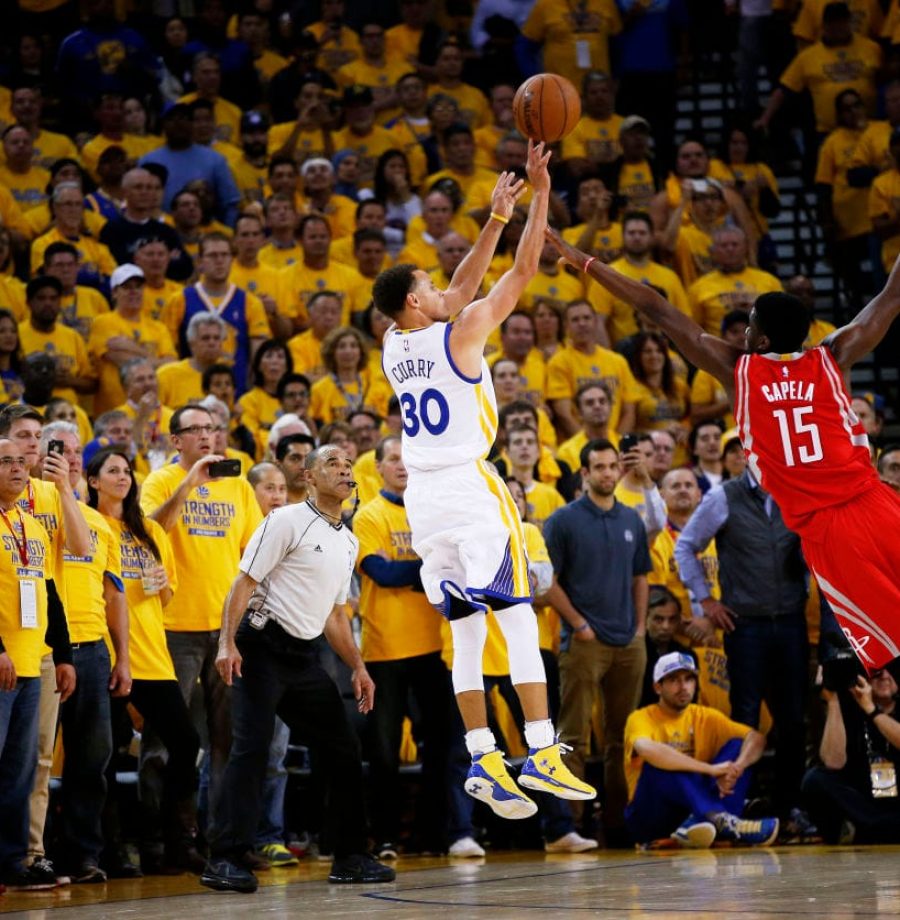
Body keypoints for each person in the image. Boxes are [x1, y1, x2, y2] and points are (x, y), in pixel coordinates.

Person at [547, 226, 900, 672]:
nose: (743, 330)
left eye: (750, 323)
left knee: (889, 649)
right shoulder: (835, 355)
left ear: (763, 341)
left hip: (831, 529)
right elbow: (891, 295)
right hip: (879, 506)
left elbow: (655, 306)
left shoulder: (737, 370)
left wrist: (584, 261)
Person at [374, 142, 595, 819]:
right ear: (417, 300)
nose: (446, 289)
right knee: (519, 613)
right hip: (471, 492)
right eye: (430, 286)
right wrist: (538, 191)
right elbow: (523, 272)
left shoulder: (393, 343)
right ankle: (541, 750)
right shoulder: (461, 334)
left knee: (467, 631)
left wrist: (495, 218)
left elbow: (461, 290)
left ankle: (484, 761)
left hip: (424, 499)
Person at [201, 445, 395, 892]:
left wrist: (358, 667)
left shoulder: (349, 539)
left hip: (302, 656)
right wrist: (227, 643)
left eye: (349, 466)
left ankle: (349, 856)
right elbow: (244, 581)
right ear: (308, 477)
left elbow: (335, 615)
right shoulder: (285, 520)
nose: (345, 470)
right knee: (251, 748)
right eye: (332, 464)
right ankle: (225, 858)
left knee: (343, 747)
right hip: (260, 646)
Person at [139, 405, 262, 837]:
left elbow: (255, 554)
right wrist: (190, 485)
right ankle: (161, 836)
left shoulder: (239, 487)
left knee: (226, 740)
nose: (207, 437)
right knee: (164, 740)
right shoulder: (161, 480)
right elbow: (146, 532)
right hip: (173, 629)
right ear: (176, 441)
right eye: (196, 430)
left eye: (212, 428)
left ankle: (220, 839)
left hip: (226, 630)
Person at [86, 448, 204, 874]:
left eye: (127, 471)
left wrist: (159, 586)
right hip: (107, 653)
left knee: (186, 742)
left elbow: (167, 595)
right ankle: (114, 849)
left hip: (153, 654)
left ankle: (174, 842)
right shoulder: (87, 524)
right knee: (108, 754)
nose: (123, 477)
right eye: (112, 471)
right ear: (93, 481)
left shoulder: (150, 529)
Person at [544, 439, 651, 841]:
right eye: (599, 467)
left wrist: (640, 627)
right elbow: (546, 583)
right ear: (584, 473)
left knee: (621, 737)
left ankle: (619, 823)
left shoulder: (631, 520)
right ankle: (571, 825)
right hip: (585, 642)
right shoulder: (563, 520)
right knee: (573, 736)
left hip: (629, 641)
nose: (607, 473)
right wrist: (578, 624)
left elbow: (641, 575)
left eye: (612, 466)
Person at [353, 435, 452, 858]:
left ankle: (432, 835)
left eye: (407, 457)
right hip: (385, 652)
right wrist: (429, 570)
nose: (402, 464)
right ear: (377, 467)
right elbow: (382, 573)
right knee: (384, 753)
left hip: (434, 648)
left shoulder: (433, 511)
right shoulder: (367, 516)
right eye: (393, 458)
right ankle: (386, 837)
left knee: (442, 748)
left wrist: (413, 572)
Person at [47, 422, 129, 884]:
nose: (73, 458)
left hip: (94, 650)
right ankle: (29, 853)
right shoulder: (33, 509)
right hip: (44, 649)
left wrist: (123, 657)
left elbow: (114, 596)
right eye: (62, 450)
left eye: (79, 451)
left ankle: (82, 856)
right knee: (34, 762)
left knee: (91, 763)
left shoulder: (100, 524)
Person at [0, 435, 75, 891]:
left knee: (19, 771)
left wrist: (62, 656)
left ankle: (11, 861)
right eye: (4, 461)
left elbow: (49, 593)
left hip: (34, 663)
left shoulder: (32, 524)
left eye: (18, 461)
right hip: (4, 662)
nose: (16, 467)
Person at [623, 651, 779, 848]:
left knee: (738, 747)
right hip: (650, 815)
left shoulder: (705, 716)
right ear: (657, 687)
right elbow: (647, 749)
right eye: (673, 680)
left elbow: (756, 739)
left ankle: (704, 824)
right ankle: (722, 821)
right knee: (662, 766)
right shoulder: (640, 718)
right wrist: (711, 770)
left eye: (689, 679)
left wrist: (734, 768)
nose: (683, 687)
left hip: (694, 807)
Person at [803, 668, 900, 843]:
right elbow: (833, 761)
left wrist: (872, 710)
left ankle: (869, 830)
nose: (885, 676)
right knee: (814, 780)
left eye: (892, 669)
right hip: (865, 802)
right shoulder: (851, 708)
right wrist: (833, 700)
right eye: (876, 672)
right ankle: (876, 829)